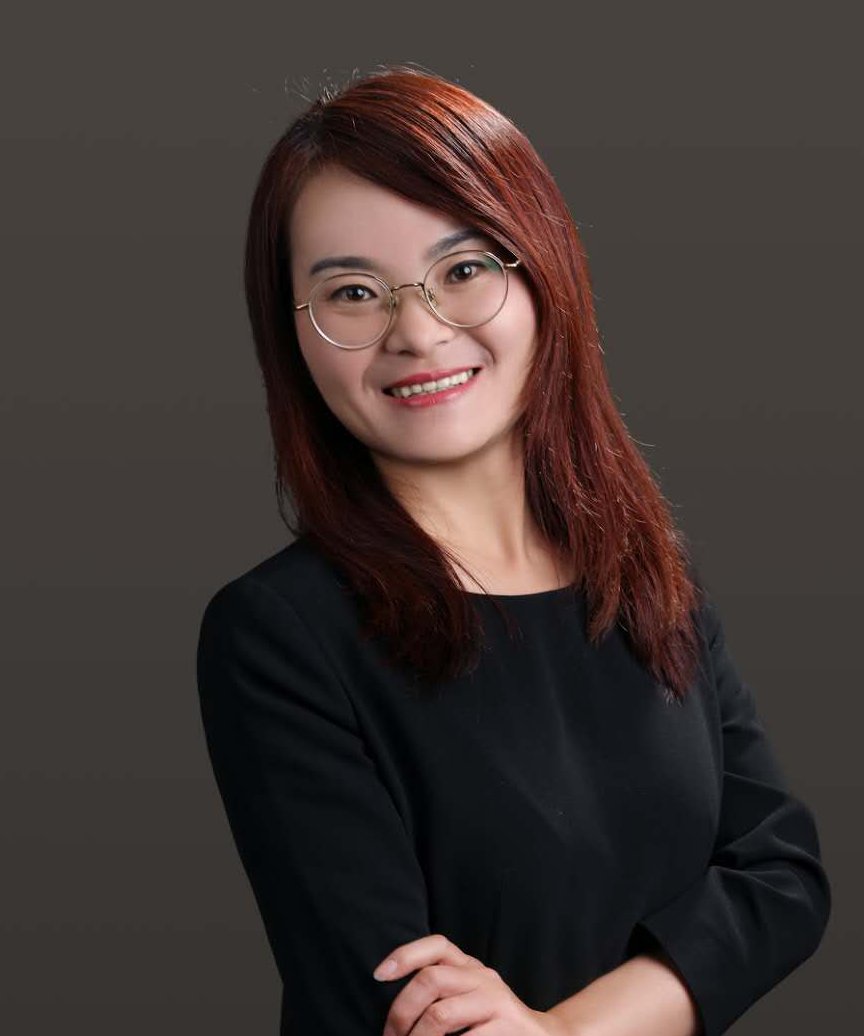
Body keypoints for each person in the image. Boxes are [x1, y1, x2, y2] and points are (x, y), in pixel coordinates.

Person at [195, 65, 831, 1036]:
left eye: (463, 270)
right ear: (294, 338)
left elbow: (781, 876)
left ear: (543, 274)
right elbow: (403, 1005)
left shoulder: (645, 573)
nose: (417, 332)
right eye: (353, 292)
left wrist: (563, 1029)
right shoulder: (278, 634)